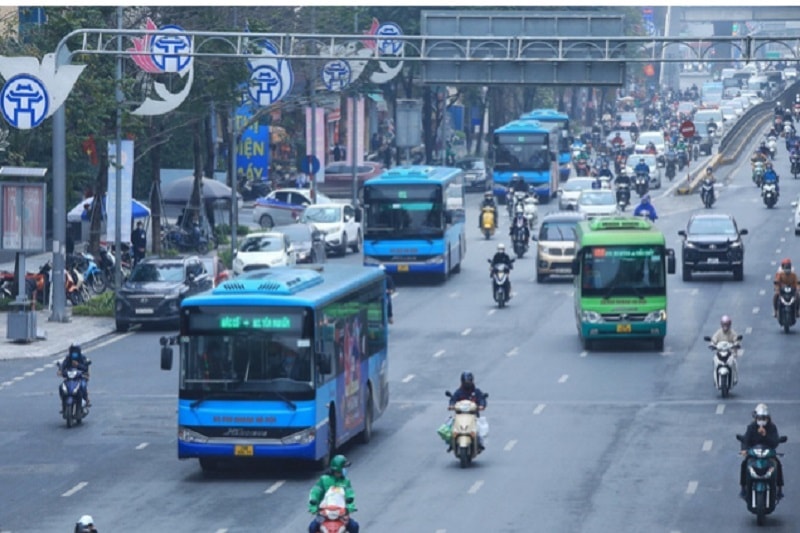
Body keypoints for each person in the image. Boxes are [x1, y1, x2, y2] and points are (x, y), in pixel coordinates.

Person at [739, 403, 784, 501]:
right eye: (759, 418)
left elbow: (775, 442)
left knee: (778, 464)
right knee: (744, 464)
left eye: (764, 418)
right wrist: (744, 450)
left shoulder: (772, 428)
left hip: (767, 453)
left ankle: (779, 489)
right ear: (755, 418)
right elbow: (746, 440)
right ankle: (743, 488)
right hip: (754, 454)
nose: (762, 421)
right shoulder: (751, 427)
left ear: (768, 418)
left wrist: (765, 435)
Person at [308, 455, 359, 533]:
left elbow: (349, 494)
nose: (345, 470)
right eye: (343, 468)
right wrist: (313, 504)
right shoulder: (324, 480)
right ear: (338, 468)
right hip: (324, 514)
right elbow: (316, 492)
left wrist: (350, 506)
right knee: (312, 527)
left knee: (354, 526)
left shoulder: (346, 482)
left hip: (341, 514)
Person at [447, 371, 488, 451]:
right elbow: (453, 399)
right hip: (460, 416)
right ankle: (452, 443)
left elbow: (481, 399)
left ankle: (479, 443)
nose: (467, 383)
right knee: (449, 427)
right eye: (465, 382)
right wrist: (451, 405)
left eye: (468, 382)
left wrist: (482, 405)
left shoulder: (476, 392)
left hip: (473, 416)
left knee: (480, 429)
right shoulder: (459, 392)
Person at [710, 315, 739, 385]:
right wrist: (712, 344)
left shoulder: (732, 333)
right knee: (714, 360)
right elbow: (714, 339)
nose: (725, 326)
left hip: (730, 353)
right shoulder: (719, 332)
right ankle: (715, 378)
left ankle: (735, 377)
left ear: (729, 325)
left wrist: (736, 344)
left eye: (727, 324)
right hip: (720, 352)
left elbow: (736, 339)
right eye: (724, 324)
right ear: (721, 324)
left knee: (734, 362)